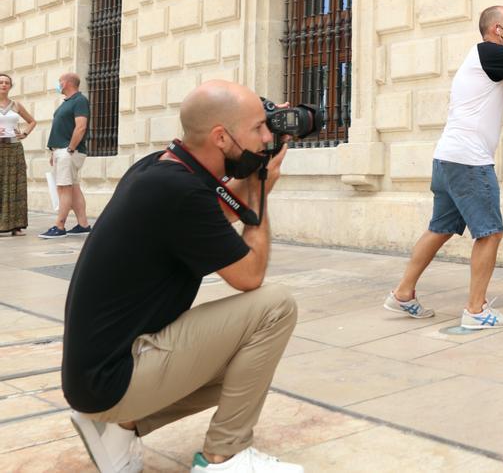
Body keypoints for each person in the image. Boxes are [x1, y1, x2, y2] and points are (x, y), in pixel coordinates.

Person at [62, 80, 302, 473]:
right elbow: (249, 276)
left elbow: (213, 215)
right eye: (259, 128)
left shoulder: (161, 168)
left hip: (97, 375)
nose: (266, 138)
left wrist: (258, 162)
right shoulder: (179, 191)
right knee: (274, 308)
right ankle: (224, 456)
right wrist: (260, 190)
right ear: (221, 137)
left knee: (247, 362)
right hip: (115, 376)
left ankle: (122, 424)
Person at [386, 5, 503, 328]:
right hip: (469, 161)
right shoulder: (492, 52)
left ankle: (402, 294)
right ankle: (476, 311)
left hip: (448, 158)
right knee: (491, 233)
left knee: (440, 229)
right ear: (496, 29)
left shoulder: (484, 60)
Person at [39, 72, 91, 238]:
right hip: (61, 151)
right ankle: (83, 225)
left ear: (67, 83)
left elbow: (81, 127)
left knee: (64, 188)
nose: (58, 83)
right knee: (73, 188)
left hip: (68, 151)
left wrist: (69, 149)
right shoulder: (68, 102)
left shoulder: (79, 100)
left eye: (59, 80)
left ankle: (59, 226)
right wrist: (54, 151)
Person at [0, 72, 36, 236]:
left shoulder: (16, 105)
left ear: (10, 86)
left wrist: (25, 134)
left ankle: (16, 226)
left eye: (6, 82)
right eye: (0, 82)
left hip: (14, 148)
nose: (3, 85)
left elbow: (32, 121)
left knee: (16, 185)